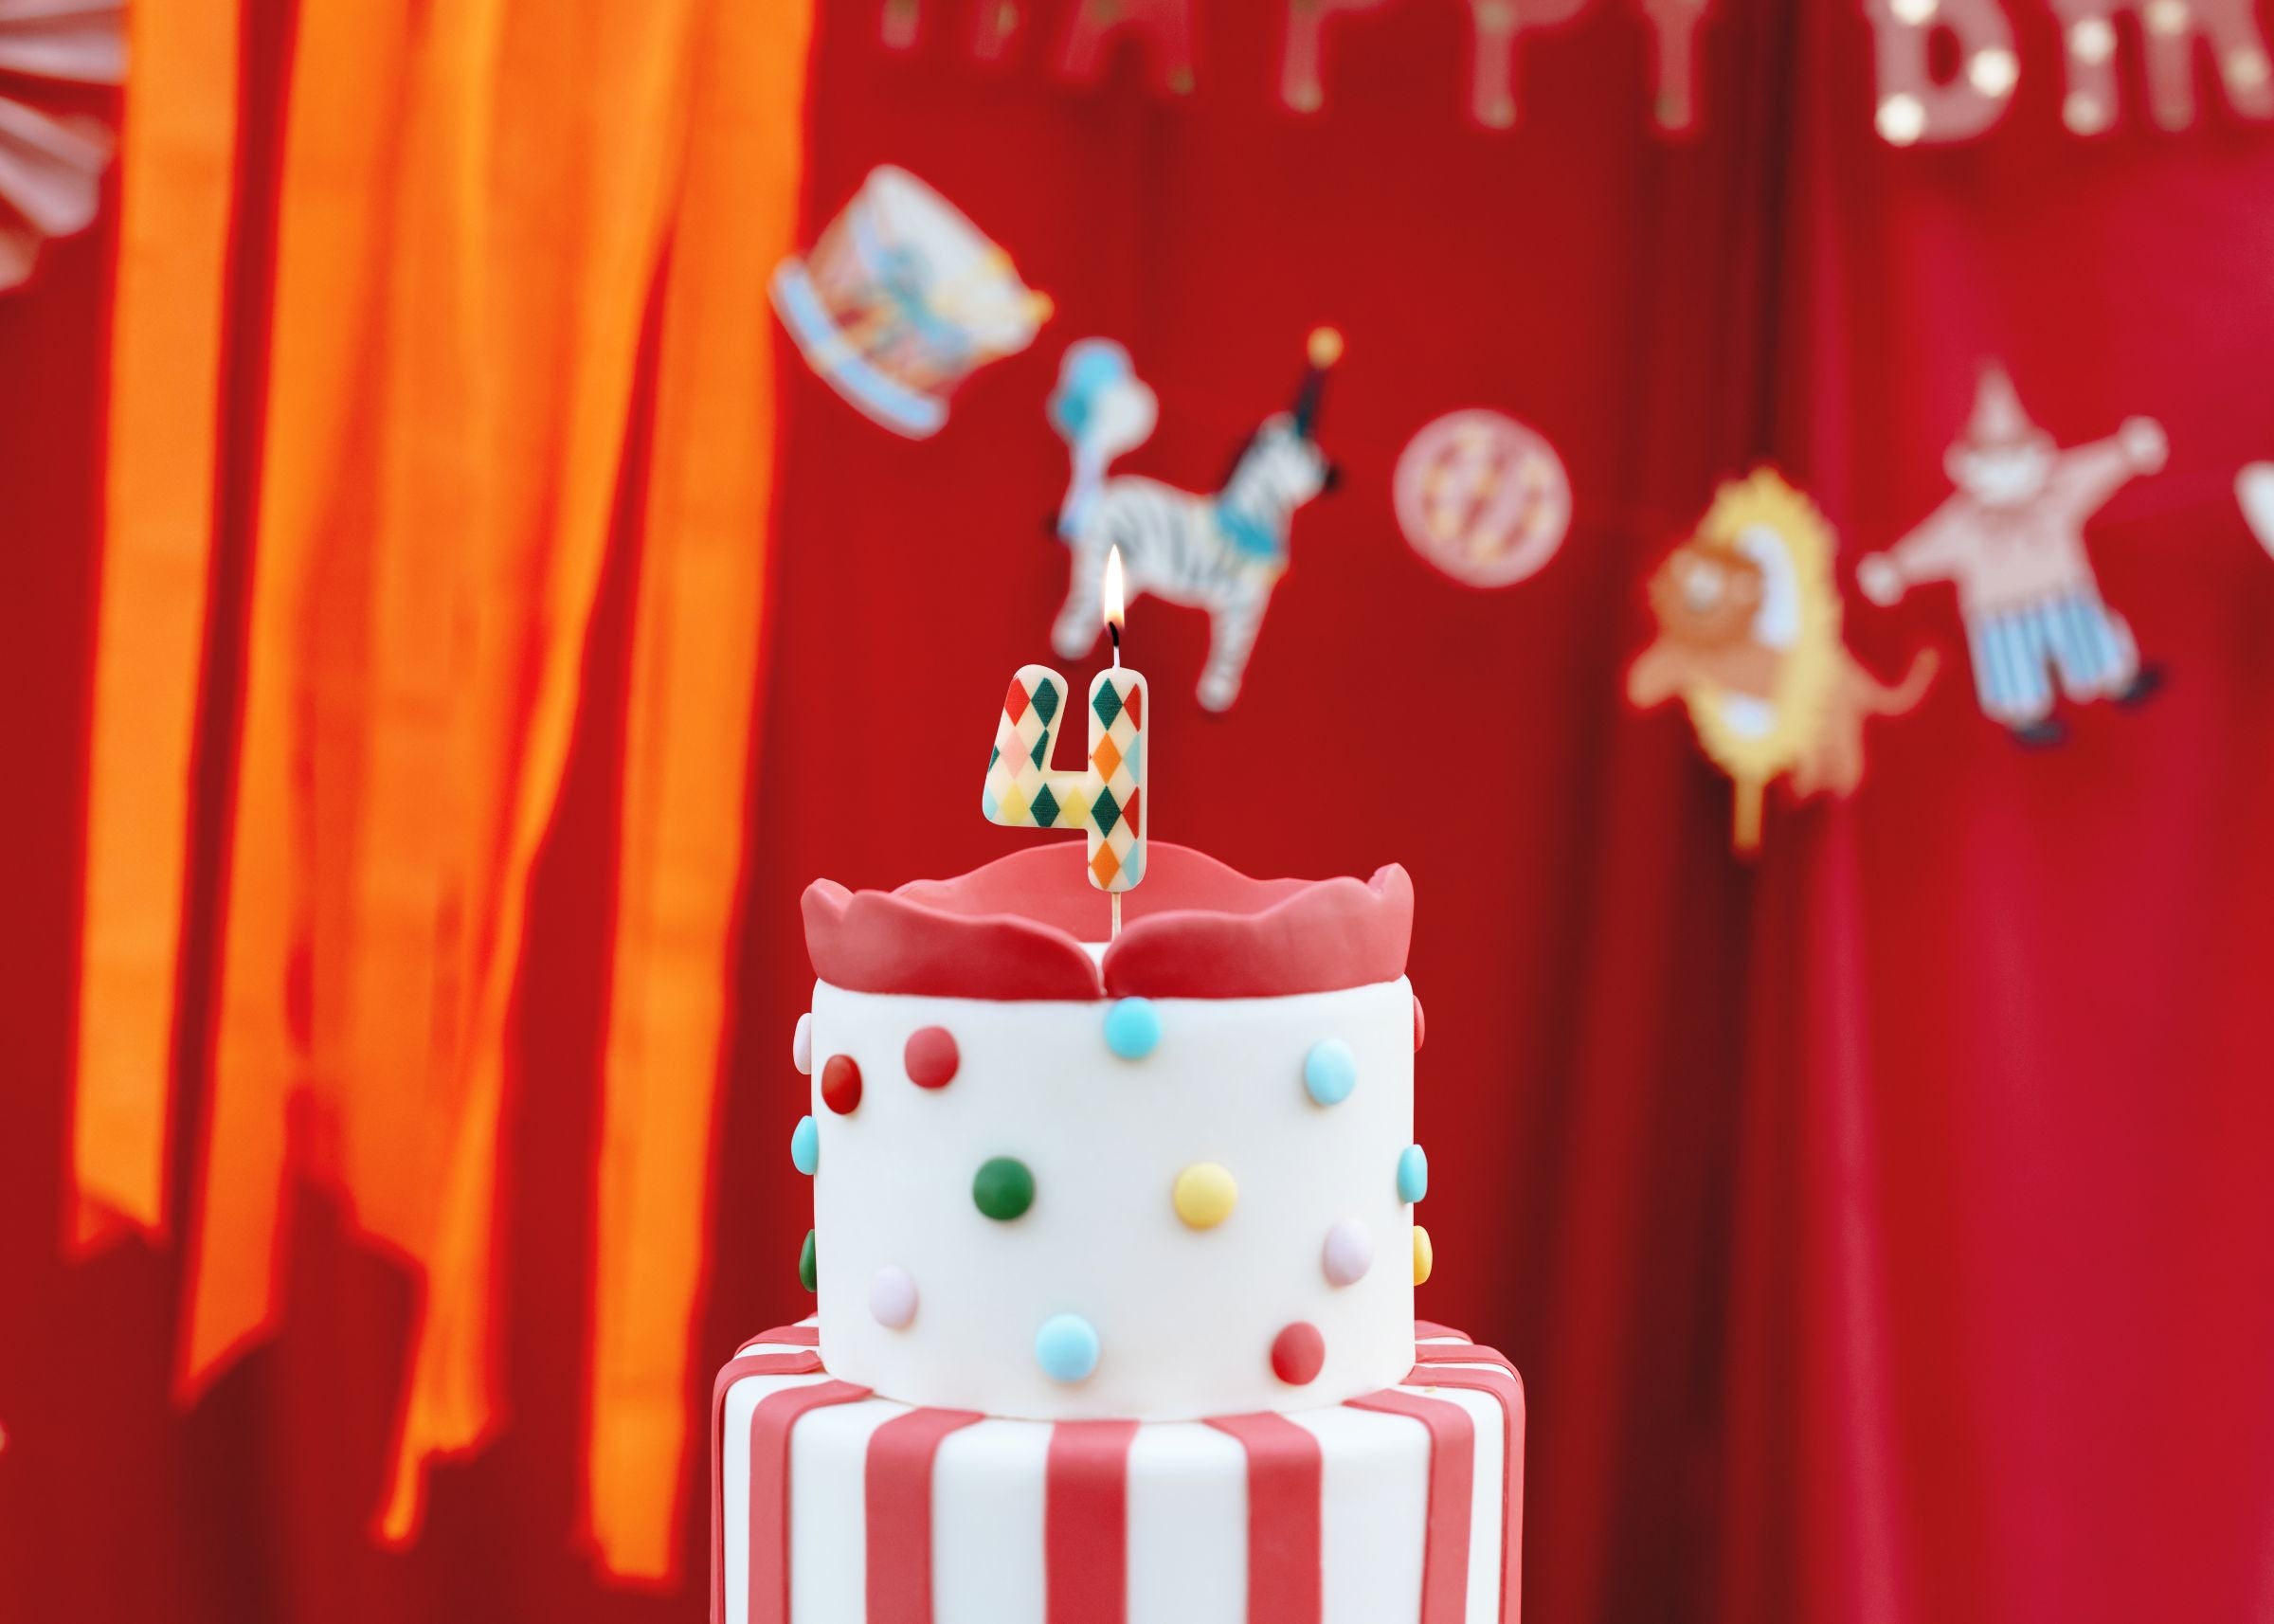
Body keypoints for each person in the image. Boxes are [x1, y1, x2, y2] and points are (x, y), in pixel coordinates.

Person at [1857, 365, 2165, 746]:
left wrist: (2125, 453)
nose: (2006, 471)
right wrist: (1897, 568)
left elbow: (2094, 470)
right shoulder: (1964, 521)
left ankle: (2116, 678)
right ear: (1969, 464)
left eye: (2013, 455)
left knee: (2085, 636)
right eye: (1994, 459)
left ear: (2035, 452)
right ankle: (2025, 714)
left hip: (2064, 590)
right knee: (2011, 662)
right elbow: (1930, 544)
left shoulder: (2059, 488)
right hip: (1999, 610)